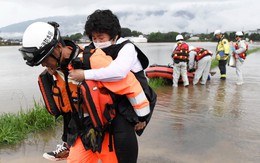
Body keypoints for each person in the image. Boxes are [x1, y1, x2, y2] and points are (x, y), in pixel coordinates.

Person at [19, 21, 153, 162]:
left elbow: (129, 85)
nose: (43, 65)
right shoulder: (55, 71)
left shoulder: (93, 60)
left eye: (44, 60)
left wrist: (142, 116)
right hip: (83, 130)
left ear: (58, 48)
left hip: (108, 128)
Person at [69, 9, 157, 163]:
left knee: (123, 137)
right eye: (94, 38)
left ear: (115, 36)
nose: (97, 42)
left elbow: (119, 72)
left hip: (132, 102)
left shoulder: (127, 48)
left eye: (101, 37)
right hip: (113, 100)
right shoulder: (93, 47)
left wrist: (85, 74)